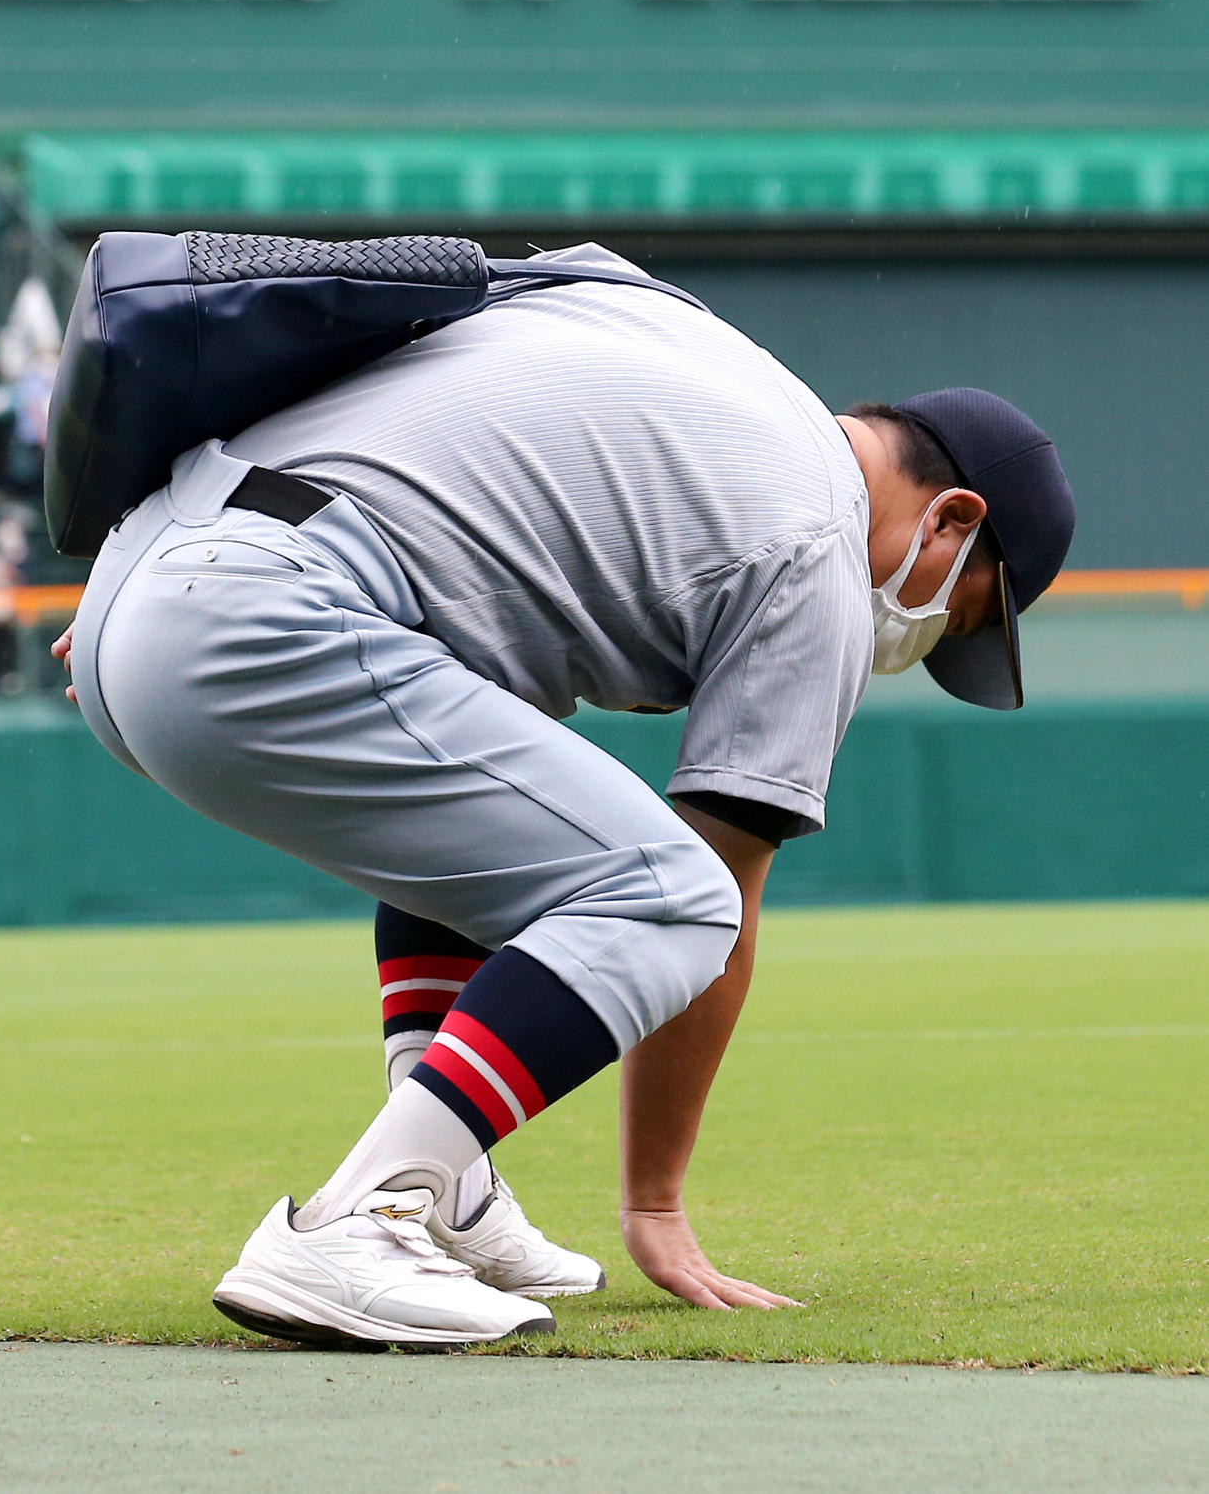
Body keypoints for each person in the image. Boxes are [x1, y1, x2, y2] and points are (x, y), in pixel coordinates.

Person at [52, 243, 1074, 1347]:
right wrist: (655, 1204)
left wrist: (158, 570)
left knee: (501, 783)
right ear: (951, 519)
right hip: (258, 614)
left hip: (143, 577)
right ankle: (362, 1215)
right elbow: (717, 899)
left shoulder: (654, 314)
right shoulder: (815, 541)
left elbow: (364, 333)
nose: (921, 641)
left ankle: (449, 1193)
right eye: (961, 615)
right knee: (671, 898)